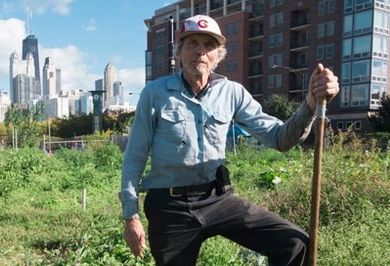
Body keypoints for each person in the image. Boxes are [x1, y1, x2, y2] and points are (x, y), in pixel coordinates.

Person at [120, 14, 339, 266]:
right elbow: (134, 157)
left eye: (209, 45)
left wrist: (311, 102)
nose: (200, 51)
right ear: (179, 52)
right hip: (170, 207)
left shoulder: (232, 92)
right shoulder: (155, 94)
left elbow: (279, 139)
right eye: (192, 43)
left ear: (218, 55)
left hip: (217, 199)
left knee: (294, 242)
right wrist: (131, 216)